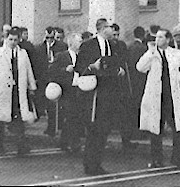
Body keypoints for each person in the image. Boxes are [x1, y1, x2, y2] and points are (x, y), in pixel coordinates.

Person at [137, 28, 180, 169]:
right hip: (156, 97)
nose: (158, 40)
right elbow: (140, 68)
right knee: (156, 129)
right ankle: (156, 159)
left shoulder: (176, 53)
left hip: (172, 96)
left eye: (161, 37)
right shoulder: (151, 54)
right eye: (156, 37)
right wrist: (151, 52)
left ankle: (177, 158)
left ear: (168, 39)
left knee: (178, 128)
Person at [75, 18, 126, 175]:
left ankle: (97, 163)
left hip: (109, 93)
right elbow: (79, 67)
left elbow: (116, 64)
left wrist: (120, 70)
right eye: (111, 27)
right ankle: (89, 164)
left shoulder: (113, 45)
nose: (113, 30)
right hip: (93, 94)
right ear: (103, 28)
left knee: (104, 130)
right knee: (93, 130)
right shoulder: (88, 45)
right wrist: (92, 66)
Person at [0, 28, 37, 155]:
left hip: (18, 90)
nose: (13, 42)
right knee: (0, 120)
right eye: (10, 39)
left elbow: (28, 70)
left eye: (15, 39)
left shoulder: (23, 53)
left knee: (18, 117)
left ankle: (21, 145)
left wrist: (32, 86)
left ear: (19, 39)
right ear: (5, 38)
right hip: (3, 90)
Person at [48, 33, 84, 153]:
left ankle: (65, 141)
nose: (81, 43)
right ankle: (73, 143)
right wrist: (65, 70)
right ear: (71, 43)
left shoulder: (83, 56)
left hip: (79, 89)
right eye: (79, 41)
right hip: (68, 90)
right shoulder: (62, 56)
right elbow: (52, 70)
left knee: (75, 117)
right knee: (70, 116)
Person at [32, 26, 67, 137]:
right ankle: (51, 126)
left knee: (56, 104)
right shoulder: (39, 48)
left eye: (52, 38)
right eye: (47, 38)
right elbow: (36, 65)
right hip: (44, 79)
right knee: (47, 104)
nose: (50, 40)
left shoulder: (62, 46)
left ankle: (56, 125)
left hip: (57, 78)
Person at [111, 23, 138, 152]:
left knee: (125, 115)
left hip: (122, 85)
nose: (115, 37)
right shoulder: (107, 46)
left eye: (117, 35)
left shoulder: (122, 45)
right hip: (111, 84)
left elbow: (127, 62)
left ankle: (126, 141)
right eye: (113, 35)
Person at [127, 26, 148, 140]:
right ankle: (141, 132)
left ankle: (133, 132)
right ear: (143, 35)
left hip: (131, 81)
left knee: (133, 107)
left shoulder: (129, 47)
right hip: (142, 81)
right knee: (141, 107)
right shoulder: (143, 48)